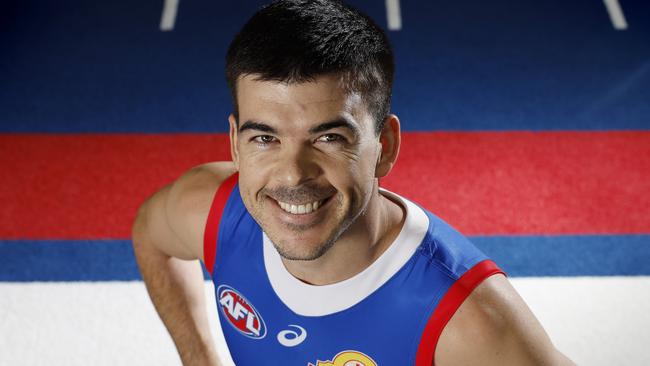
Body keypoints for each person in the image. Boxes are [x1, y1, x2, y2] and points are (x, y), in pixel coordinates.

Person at [132, 1, 575, 365]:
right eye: (265, 138)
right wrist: (199, 357)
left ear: (384, 145)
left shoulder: (470, 323)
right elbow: (150, 237)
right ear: (234, 142)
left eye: (328, 138)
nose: (292, 175)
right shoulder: (209, 209)